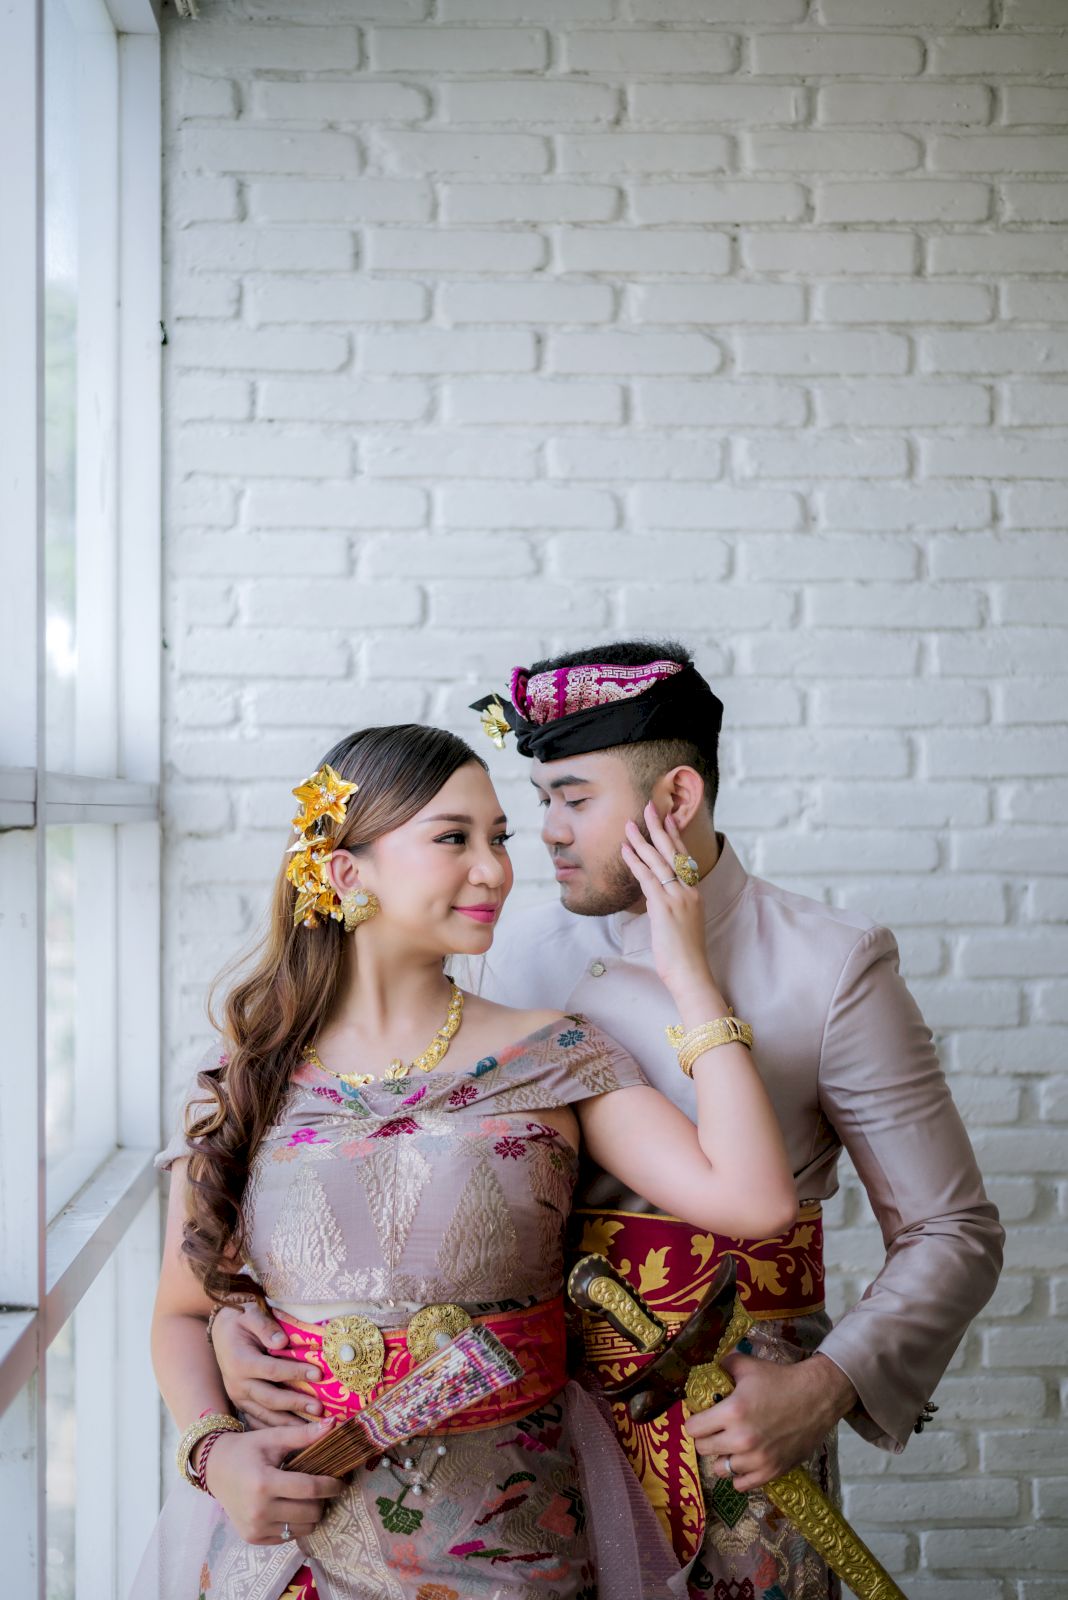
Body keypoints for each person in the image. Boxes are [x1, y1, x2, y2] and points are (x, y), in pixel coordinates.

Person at [211, 648, 1004, 1600]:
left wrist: (826, 1385)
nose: (540, 837)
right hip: (521, 1425)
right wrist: (236, 1316)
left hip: (731, 1412)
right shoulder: (504, 952)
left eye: (574, 800)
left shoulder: (830, 965)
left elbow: (951, 1228)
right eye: (537, 802)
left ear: (676, 797)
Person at [136, 721, 799, 1600]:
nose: (495, 870)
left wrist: (690, 975)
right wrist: (213, 1452)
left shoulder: (552, 1056)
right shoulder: (247, 1077)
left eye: (500, 838)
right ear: (346, 872)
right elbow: (182, 1313)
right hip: (291, 1544)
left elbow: (756, 1201)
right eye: (454, 838)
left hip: (510, 1546)